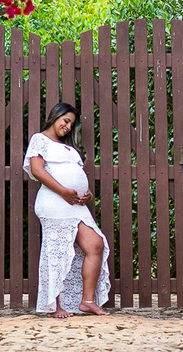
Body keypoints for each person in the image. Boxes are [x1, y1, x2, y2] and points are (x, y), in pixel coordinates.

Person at [23, 102, 111, 317]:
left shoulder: (69, 148)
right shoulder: (39, 139)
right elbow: (37, 170)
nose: (68, 127)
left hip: (75, 205)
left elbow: (76, 174)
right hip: (54, 202)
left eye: (71, 124)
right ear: (55, 116)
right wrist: (63, 191)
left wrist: (87, 193)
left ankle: (87, 301)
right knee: (56, 251)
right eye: (66, 121)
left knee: (95, 244)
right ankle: (54, 307)